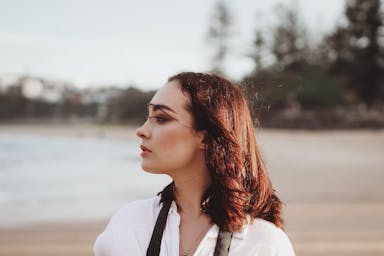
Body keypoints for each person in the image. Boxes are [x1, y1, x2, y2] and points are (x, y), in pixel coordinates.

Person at [94, 72, 295, 256]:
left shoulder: (263, 244)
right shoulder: (129, 224)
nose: (142, 131)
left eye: (161, 118)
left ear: (206, 137)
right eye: (148, 117)